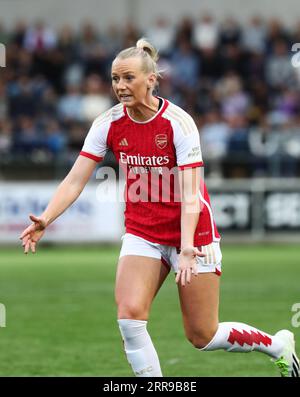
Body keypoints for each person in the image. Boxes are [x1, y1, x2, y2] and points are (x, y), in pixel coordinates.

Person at [20, 38, 299, 378]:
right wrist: (46, 218)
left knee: (202, 335)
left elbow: (191, 193)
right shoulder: (107, 123)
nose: (120, 86)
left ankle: (277, 345)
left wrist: (185, 248)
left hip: (192, 234)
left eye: (128, 78)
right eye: (114, 79)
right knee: (129, 317)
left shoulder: (178, 123)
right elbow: (76, 178)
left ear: (150, 80)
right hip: (143, 231)